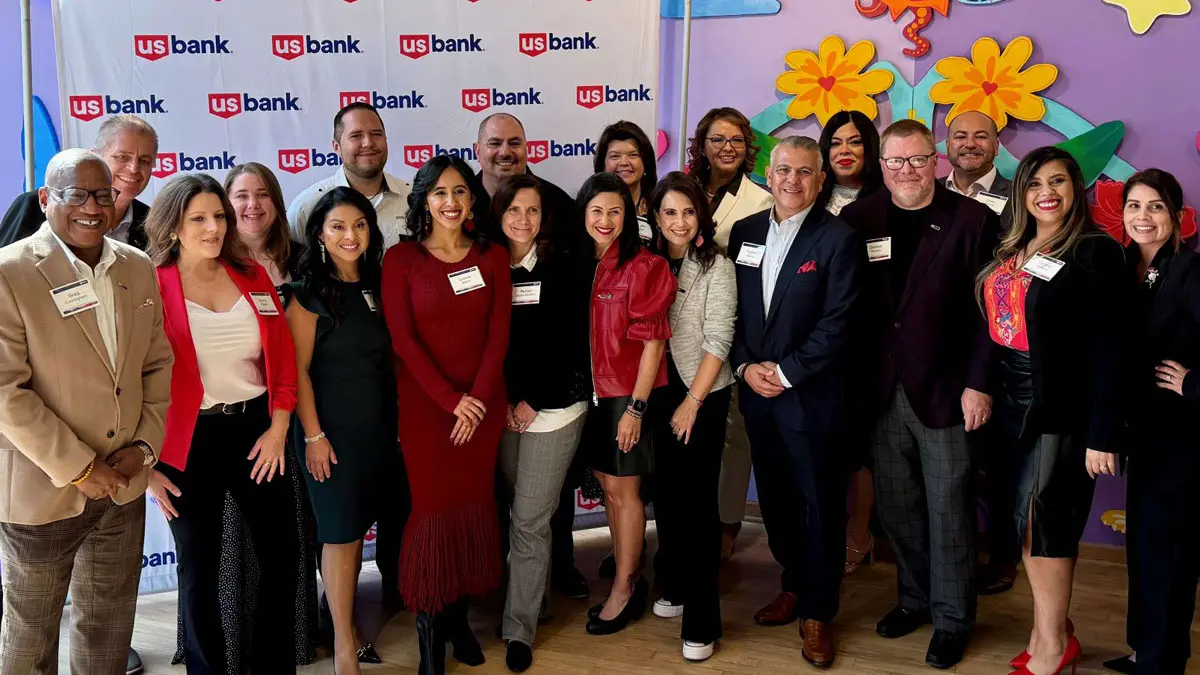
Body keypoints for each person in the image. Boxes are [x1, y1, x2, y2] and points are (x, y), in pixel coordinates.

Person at [0, 148, 172, 675]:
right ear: (45, 198)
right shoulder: (10, 272)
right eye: (76, 194)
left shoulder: (137, 266)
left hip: (123, 486)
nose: (93, 208)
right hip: (42, 491)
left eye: (103, 195)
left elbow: (156, 364)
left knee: (108, 632)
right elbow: (6, 391)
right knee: (30, 641)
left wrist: (144, 448)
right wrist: (80, 467)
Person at [839, 120, 1001, 669]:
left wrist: (979, 383)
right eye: (895, 161)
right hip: (880, 392)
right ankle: (914, 598)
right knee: (898, 508)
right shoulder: (859, 219)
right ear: (881, 165)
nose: (906, 170)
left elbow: (990, 316)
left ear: (936, 160)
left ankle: (953, 619)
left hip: (947, 392)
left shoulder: (974, 221)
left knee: (948, 508)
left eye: (916, 159)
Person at [975, 147, 1128, 675]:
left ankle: (1052, 646)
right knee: (1023, 525)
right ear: (1021, 192)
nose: (1047, 192)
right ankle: (1049, 631)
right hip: (1009, 401)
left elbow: (1113, 349)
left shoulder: (1094, 251)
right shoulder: (1011, 245)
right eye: (1036, 182)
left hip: (1061, 408)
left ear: (1075, 188)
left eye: (1058, 181)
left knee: (1044, 526)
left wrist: (1103, 432)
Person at [145, 174, 300, 675]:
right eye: (198, 219)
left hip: (257, 432)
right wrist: (146, 467)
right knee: (199, 569)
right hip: (187, 441)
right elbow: (127, 377)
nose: (213, 228)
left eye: (219, 216)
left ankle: (269, 668)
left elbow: (282, 359)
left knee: (283, 555)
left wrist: (279, 427)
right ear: (173, 226)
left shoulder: (250, 275)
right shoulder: (150, 284)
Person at [727, 137, 860, 667]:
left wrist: (784, 373)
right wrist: (744, 367)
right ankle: (792, 584)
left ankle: (818, 612)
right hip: (758, 397)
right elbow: (732, 312)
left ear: (821, 180)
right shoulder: (745, 232)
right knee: (777, 502)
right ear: (768, 172)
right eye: (784, 170)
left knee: (820, 508)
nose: (792, 181)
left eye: (805, 172)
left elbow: (839, 323)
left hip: (811, 400)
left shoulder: (839, 238)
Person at [380, 155, 511, 675]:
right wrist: (451, 400)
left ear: (471, 199)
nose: (451, 202)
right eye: (439, 193)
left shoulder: (492, 256)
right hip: (428, 413)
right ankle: (430, 634)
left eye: (459, 191)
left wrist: (475, 401)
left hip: (482, 410)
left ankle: (457, 620)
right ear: (424, 201)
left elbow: (499, 337)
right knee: (432, 516)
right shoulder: (401, 260)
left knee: (471, 509)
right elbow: (403, 341)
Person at [471, 111, 586, 598]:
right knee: (500, 499)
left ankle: (556, 572)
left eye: (514, 142)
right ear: (478, 150)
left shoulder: (556, 202)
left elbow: (569, 329)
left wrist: (533, 397)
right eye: (495, 143)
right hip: (491, 396)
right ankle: (501, 585)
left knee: (544, 502)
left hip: (549, 399)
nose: (505, 152)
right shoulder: (463, 206)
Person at [287, 187, 398, 675]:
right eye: (337, 226)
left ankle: (347, 625)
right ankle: (343, 647)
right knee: (340, 535)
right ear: (319, 234)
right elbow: (297, 373)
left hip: (377, 431)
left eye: (359, 225)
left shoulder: (378, 284)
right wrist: (314, 437)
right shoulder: (306, 293)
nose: (350, 235)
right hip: (328, 436)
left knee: (356, 531)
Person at [492, 174, 590, 673]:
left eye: (532, 210)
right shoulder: (484, 265)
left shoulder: (564, 266)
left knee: (529, 518)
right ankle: (539, 598)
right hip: (502, 411)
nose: (523, 220)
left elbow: (574, 344)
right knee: (518, 508)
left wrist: (534, 399)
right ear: (498, 213)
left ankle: (519, 629)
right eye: (514, 210)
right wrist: (506, 400)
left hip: (554, 410)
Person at [576, 172, 676, 636]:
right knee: (609, 489)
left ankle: (625, 587)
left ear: (629, 216)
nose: (605, 220)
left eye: (615, 211)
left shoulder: (644, 265)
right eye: (596, 210)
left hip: (627, 397)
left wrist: (635, 409)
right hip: (594, 396)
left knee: (625, 492)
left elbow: (654, 344)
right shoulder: (583, 264)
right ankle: (625, 574)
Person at [645, 172, 736, 662]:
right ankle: (675, 585)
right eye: (670, 212)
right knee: (668, 498)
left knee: (699, 506)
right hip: (656, 390)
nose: (679, 222)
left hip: (701, 392)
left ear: (700, 215)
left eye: (688, 211)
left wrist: (692, 402)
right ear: (655, 217)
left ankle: (703, 621)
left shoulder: (717, 265)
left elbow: (719, 338)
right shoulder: (646, 261)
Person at [1109, 169, 1196, 675]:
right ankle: (1146, 650)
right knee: (1145, 548)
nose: (1143, 217)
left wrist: (1193, 384)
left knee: (1170, 554)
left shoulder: (1191, 271)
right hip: (1142, 433)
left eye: (1156, 206)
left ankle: (1161, 663)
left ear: (1178, 216)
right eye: (1134, 206)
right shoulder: (1123, 266)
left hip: (1182, 438)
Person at [687, 106, 774, 562]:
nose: (727, 147)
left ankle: (726, 521)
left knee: (733, 432)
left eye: (736, 140)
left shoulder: (762, 201)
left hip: (735, 327)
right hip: (681, 327)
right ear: (702, 145)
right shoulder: (682, 190)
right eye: (717, 139)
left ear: (747, 148)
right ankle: (686, 517)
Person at [815, 110, 883, 578]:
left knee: (860, 445)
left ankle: (860, 533)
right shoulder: (809, 196)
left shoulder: (886, 199)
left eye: (855, 142)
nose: (844, 151)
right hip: (813, 344)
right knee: (822, 445)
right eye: (836, 142)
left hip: (865, 342)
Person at [1, 114, 157, 250]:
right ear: (95, 157)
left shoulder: (153, 221)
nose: (134, 169)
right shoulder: (36, 205)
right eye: (123, 157)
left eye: (144, 161)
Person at [287, 103, 412, 250]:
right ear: (337, 147)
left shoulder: (413, 198)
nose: (368, 143)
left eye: (376, 134)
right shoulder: (307, 208)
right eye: (356, 136)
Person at [226, 163, 298, 289]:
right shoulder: (212, 259)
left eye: (263, 194)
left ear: (276, 201)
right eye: (242, 196)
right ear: (226, 204)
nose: (253, 204)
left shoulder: (304, 259)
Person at [595, 121, 658, 241]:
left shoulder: (659, 206)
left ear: (646, 161)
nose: (624, 162)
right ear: (603, 164)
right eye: (615, 156)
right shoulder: (589, 208)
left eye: (633, 155)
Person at [945, 111, 1012, 220]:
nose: (970, 144)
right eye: (961, 137)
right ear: (947, 145)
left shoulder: (1019, 196)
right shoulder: (929, 191)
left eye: (980, 137)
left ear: (996, 146)